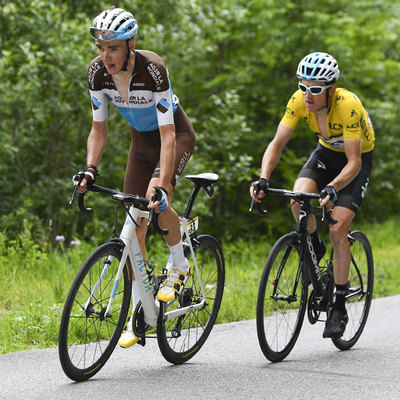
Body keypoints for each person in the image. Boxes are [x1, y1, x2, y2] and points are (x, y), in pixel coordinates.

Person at [78, 7, 196, 348]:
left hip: (173, 137)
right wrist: (90, 168)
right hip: (139, 145)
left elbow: (170, 134)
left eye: (112, 48)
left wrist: (162, 184)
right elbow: (98, 129)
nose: (105, 56)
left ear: (130, 44)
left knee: (157, 207)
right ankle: (146, 310)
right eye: (100, 48)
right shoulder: (96, 74)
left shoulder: (153, 69)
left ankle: (179, 263)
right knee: (134, 228)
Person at [250, 52, 374, 338]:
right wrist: (263, 178)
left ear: (330, 88)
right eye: (303, 86)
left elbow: (353, 162)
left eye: (315, 89)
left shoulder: (348, 105)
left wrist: (333, 187)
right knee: (297, 200)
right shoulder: (298, 101)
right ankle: (314, 246)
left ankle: (340, 305)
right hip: (326, 153)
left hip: (355, 161)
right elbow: (277, 143)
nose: (307, 94)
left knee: (338, 227)